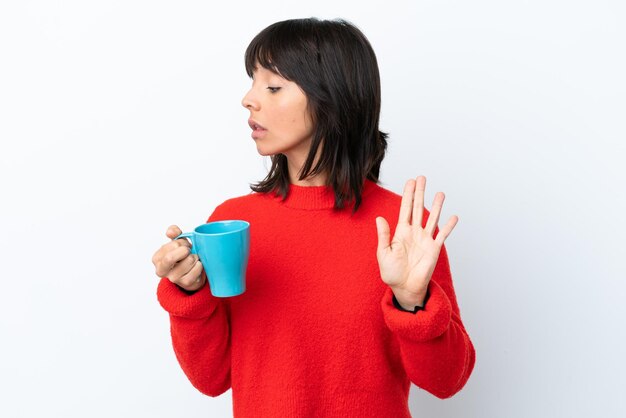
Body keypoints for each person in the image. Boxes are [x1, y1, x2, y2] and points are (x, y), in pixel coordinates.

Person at [152, 17, 475, 417]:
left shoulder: (402, 227)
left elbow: (446, 382)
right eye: (253, 82)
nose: (248, 99)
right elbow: (211, 379)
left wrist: (414, 301)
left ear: (332, 98)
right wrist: (189, 294)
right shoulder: (232, 223)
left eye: (272, 86)